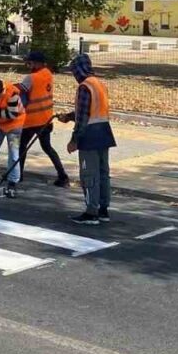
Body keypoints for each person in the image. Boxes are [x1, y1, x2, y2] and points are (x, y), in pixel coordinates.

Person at [57, 53, 116, 225]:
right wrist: (68, 117)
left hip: (89, 135)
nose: (74, 75)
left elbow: (83, 117)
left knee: (89, 175)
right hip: (104, 132)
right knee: (103, 173)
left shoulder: (84, 87)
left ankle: (91, 212)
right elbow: (92, 110)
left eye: (74, 71)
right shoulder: (98, 83)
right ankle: (103, 210)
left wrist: (74, 139)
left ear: (78, 70)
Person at [17, 50, 70, 186]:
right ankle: (62, 176)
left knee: (21, 147)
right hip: (46, 119)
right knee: (47, 148)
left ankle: (18, 175)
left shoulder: (30, 78)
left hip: (31, 120)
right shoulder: (48, 74)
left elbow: (20, 92)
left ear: (36, 63)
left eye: (30, 62)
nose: (28, 64)